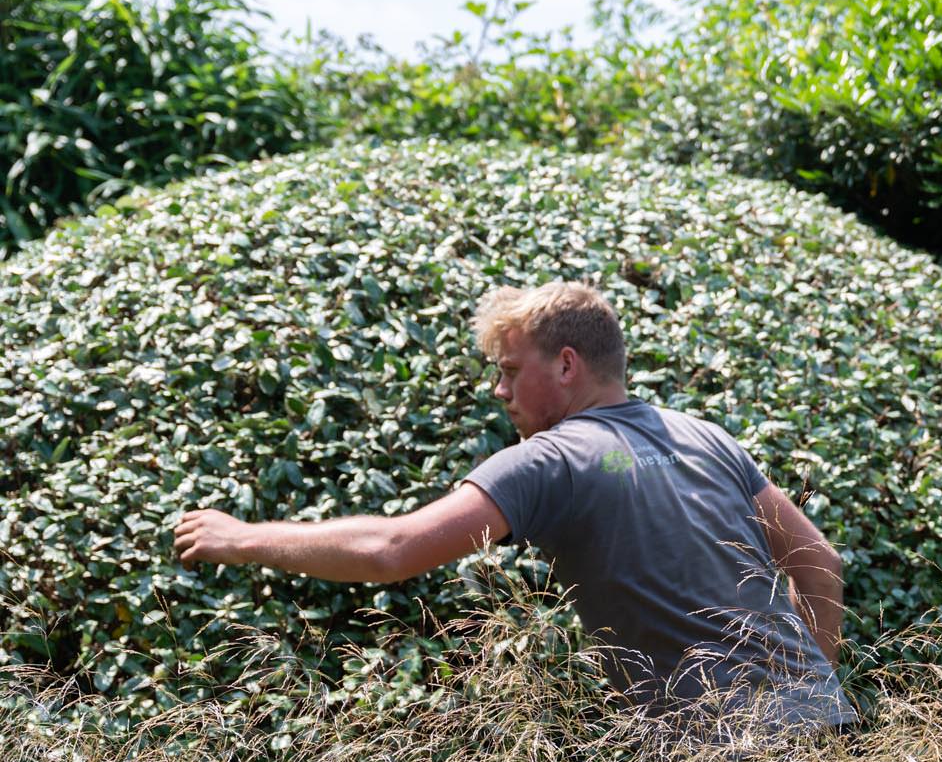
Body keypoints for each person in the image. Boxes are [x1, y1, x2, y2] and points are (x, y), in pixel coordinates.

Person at [174, 280, 856, 735]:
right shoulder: (704, 438)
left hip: (713, 756)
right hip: (821, 730)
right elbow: (818, 559)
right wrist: (810, 684)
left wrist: (243, 537)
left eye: (506, 369)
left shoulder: (550, 460)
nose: (497, 391)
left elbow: (391, 550)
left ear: (564, 366)